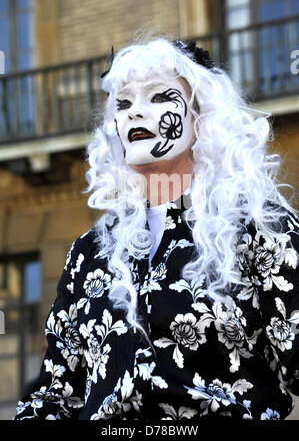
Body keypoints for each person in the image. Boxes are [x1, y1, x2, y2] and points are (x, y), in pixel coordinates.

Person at [14, 37, 299, 420]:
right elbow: (55, 392)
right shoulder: (89, 253)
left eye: (158, 97)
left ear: (202, 117)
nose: (134, 113)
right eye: (124, 103)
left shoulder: (261, 228)